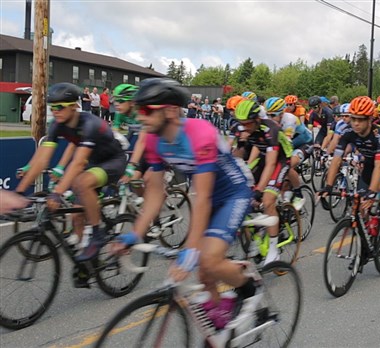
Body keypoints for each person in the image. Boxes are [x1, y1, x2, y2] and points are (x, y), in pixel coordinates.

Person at [114, 78, 258, 331]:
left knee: (209, 260)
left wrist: (191, 249)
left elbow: (200, 197)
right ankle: (222, 329)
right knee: (204, 275)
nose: (141, 118)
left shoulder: (199, 132)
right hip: (210, 196)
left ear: (170, 110)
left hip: (234, 192)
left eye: (147, 110)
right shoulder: (152, 139)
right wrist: (135, 233)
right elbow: (155, 192)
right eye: (139, 110)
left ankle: (250, 290)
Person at [15, 82, 126, 267]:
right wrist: (19, 193)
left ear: (74, 106)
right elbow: (42, 158)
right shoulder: (57, 125)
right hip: (93, 163)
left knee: (81, 182)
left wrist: (57, 193)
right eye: (53, 107)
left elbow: (78, 162)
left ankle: (98, 234)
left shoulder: (90, 124)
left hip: (112, 161)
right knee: (75, 215)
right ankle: (84, 263)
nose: (55, 111)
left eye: (60, 107)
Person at [320, 96, 380, 240]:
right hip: (370, 162)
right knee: (360, 203)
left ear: (370, 119)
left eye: (361, 119)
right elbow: (337, 159)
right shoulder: (347, 132)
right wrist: (328, 186)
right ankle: (365, 242)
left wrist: (372, 191)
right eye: (353, 118)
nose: (356, 123)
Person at [232, 100, 293, 264]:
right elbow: (236, 156)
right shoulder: (244, 129)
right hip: (262, 155)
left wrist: (259, 189)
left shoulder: (270, 129)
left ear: (257, 119)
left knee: (266, 200)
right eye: (241, 124)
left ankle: (273, 248)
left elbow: (271, 164)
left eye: (247, 124)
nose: (244, 127)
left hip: (281, 159)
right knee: (242, 196)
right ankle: (257, 233)